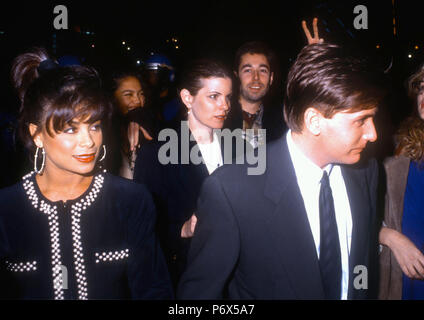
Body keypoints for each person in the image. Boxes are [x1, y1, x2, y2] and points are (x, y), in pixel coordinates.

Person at [178, 43, 384, 300]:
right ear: (313, 121)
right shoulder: (232, 190)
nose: (372, 134)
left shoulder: (365, 171)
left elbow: (362, 271)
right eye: (361, 120)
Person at [0, 48, 173, 299]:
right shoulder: (7, 209)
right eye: (71, 129)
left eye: (94, 126)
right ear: (37, 135)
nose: (88, 142)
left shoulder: (130, 200)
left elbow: (154, 290)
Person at [134, 58, 238, 291]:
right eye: (214, 96)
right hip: (183, 277)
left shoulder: (238, 147)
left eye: (228, 97)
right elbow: (141, 230)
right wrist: (183, 229)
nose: (225, 106)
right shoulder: (157, 151)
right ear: (187, 98)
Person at [224, 18, 323, 149]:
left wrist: (315, 62)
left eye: (263, 70)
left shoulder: (281, 121)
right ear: (236, 76)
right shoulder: (220, 116)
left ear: (271, 78)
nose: (256, 78)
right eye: (248, 70)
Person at [379, 65, 424, 299]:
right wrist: (390, 237)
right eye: (422, 88)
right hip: (402, 276)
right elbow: (358, 211)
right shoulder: (398, 148)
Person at [107, 68, 156, 179]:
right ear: (112, 97)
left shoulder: (148, 129)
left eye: (141, 94)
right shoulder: (103, 135)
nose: (138, 100)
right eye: (128, 94)